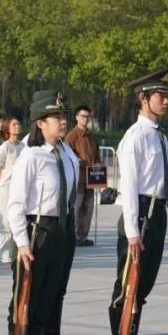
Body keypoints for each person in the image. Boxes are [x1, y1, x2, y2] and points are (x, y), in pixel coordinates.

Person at [6, 90, 78, 335]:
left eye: (64, 117)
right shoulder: (30, 157)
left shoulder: (67, 154)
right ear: (40, 123)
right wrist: (22, 244)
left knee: (45, 306)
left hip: (60, 233)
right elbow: (15, 204)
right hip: (37, 234)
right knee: (26, 306)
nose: (63, 123)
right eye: (56, 118)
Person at [110, 70, 168, 335]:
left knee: (142, 288)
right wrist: (133, 231)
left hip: (157, 212)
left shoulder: (159, 135)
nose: (165, 100)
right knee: (127, 288)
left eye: (166, 95)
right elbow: (130, 186)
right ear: (143, 98)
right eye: (159, 95)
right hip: (141, 216)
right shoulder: (134, 137)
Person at [65, 104, 101, 247]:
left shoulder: (92, 136)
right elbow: (70, 157)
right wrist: (86, 165)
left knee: (88, 207)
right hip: (78, 179)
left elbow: (97, 155)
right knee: (77, 207)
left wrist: (98, 164)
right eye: (83, 116)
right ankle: (72, 236)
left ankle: (83, 236)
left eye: (88, 117)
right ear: (76, 118)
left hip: (92, 179)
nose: (86, 119)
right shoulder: (72, 136)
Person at [0, 116, 25, 264]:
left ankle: (14, 251)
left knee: (17, 218)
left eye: (18, 123)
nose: (17, 126)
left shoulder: (24, 147)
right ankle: (3, 252)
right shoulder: (4, 147)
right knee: (5, 220)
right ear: (7, 128)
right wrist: (2, 183)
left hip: (20, 187)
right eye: (14, 124)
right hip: (7, 187)